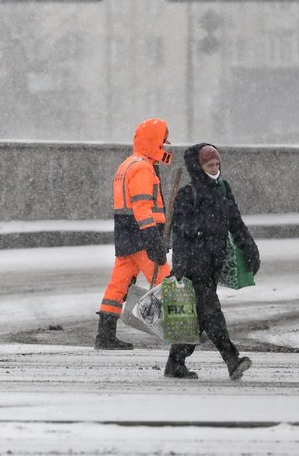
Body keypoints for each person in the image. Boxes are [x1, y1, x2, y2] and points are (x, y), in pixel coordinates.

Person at [165, 143, 260, 380]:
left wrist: (249, 248)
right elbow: (180, 234)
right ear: (199, 167)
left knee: (199, 318)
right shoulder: (188, 194)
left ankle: (175, 363)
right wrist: (179, 263)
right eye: (210, 165)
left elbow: (235, 222)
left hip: (214, 263)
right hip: (194, 265)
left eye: (217, 164)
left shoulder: (223, 190)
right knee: (211, 312)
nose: (215, 168)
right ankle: (232, 359)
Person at [95, 118, 173, 350]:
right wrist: (153, 239)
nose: (164, 148)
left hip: (125, 235)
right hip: (142, 236)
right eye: (162, 143)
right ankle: (183, 329)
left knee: (118, 286)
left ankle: (105, 334)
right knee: (166, 282)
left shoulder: (127, 165)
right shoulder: (142, 168)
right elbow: (142, 208)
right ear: (154, 142)